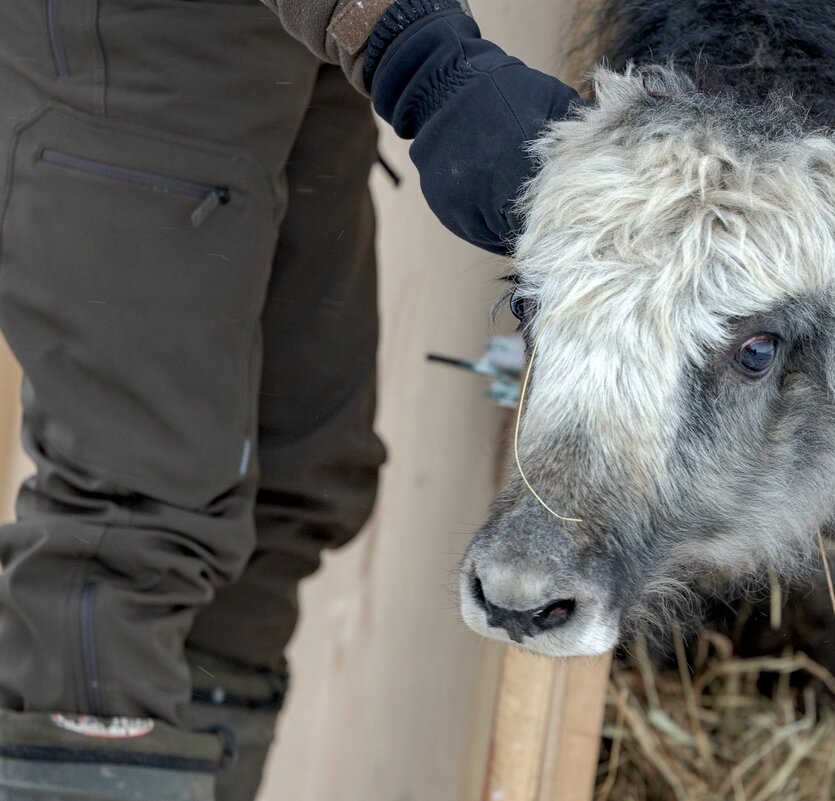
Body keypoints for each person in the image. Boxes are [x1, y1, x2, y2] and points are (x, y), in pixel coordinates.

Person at [0, 1, 578, 798]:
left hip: (302, 37)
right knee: (126, 520)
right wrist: (426, 54)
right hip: (138, 34)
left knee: (293, 480)